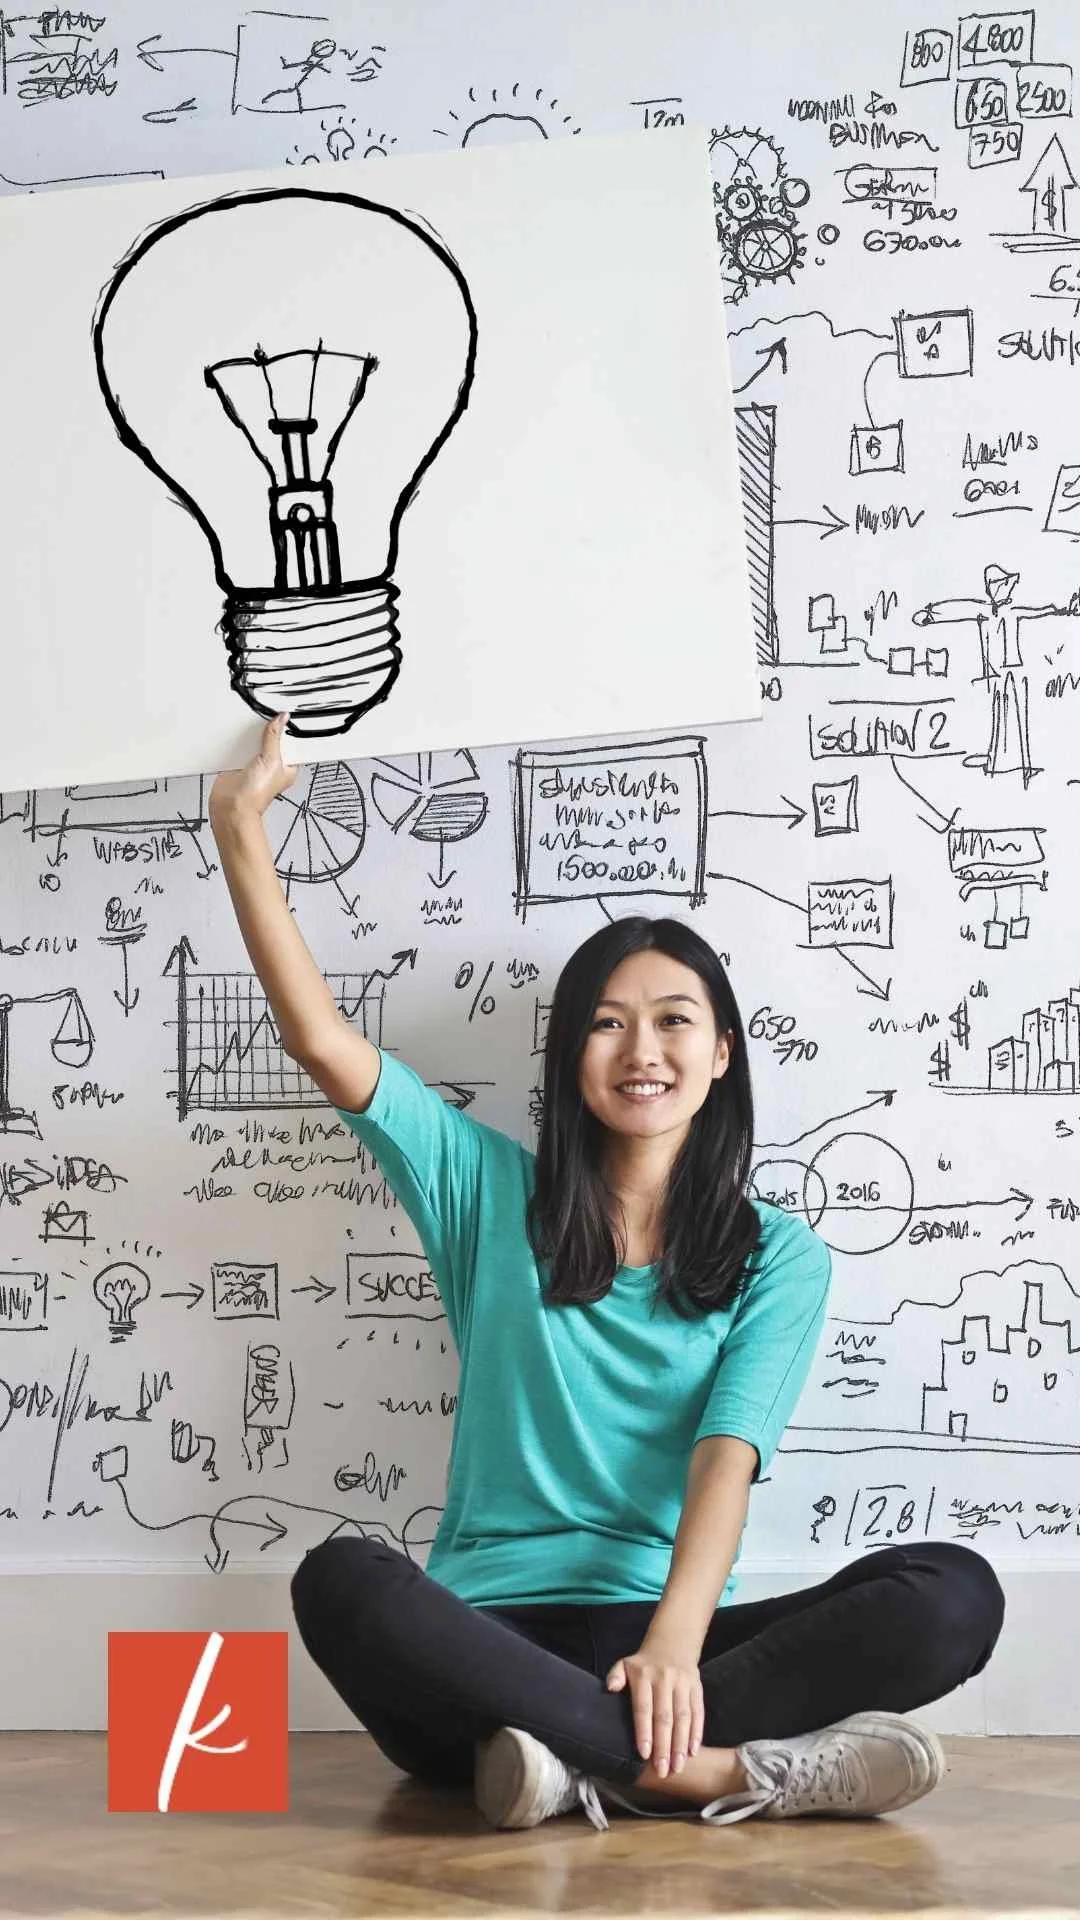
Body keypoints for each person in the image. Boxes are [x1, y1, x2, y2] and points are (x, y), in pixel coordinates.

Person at [209, 714, 1006, 1834]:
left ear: (722, 1051)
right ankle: (713, 1778)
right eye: (608, 1025)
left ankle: (560, 1762)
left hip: (677, 1644)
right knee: (343, 1580)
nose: (643, 1051)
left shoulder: (781, 1253)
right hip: (485, 1638)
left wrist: (675, 1643)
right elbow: (320, 1040)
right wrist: (239, 825)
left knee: (953, 1594)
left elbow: (725, 1460)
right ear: (569, 1058)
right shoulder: (482, 1191)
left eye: (675, 1021)